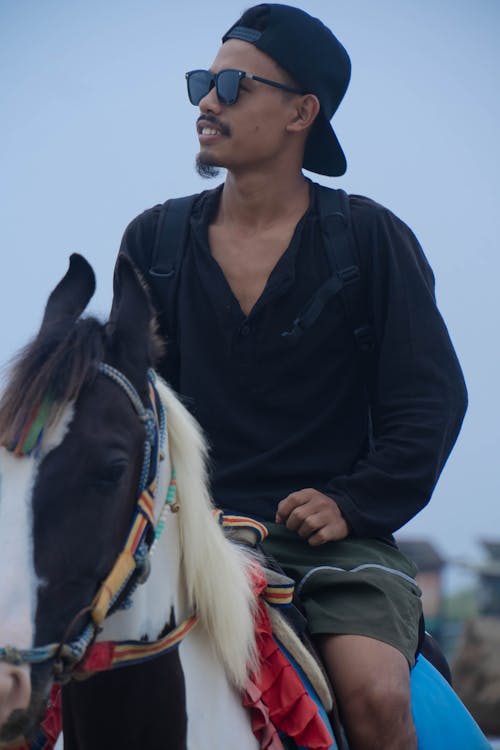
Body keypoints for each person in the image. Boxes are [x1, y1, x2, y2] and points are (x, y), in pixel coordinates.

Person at [118, 5, 467, 749]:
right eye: (202, 82)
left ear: (302, 112)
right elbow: (128, 404)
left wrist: (353, 502)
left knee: (374, 698)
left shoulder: (368, 239)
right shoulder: (154, 240)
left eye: (233, 84)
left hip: (334, 551)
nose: (207, 101)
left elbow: (428, 400)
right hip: (185, 538)